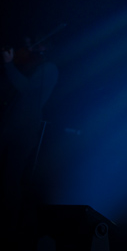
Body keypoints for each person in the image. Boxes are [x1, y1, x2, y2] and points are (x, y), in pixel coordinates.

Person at [1, 36, 58, 249]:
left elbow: (27, 90)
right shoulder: (31, 65)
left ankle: (9, 230)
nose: (31, 45)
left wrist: (9, 64)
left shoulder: (49, 68)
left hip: (24, 132)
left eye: (37, 42)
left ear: (47, 47)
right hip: (10, 126)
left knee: (10, 180)